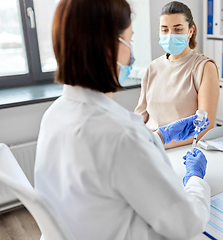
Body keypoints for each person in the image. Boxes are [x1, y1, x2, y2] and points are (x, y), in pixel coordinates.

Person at [34, 0, 211, 239]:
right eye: (130, 39)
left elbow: (107, 167)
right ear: (110, 48)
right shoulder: (121, 136)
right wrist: (195, 179)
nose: (131, 50)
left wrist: (159, 136)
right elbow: (188, 224)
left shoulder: (54, 114)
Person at [134, 1, 219, 149]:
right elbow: (140, 117)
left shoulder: (204, 67)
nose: (170, 35)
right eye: (165, 30)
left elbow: (205, 127)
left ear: (190, 31)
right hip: (147, 146)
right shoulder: (152, 68)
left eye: (178, 29)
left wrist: (157, 142)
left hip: (178, 150)